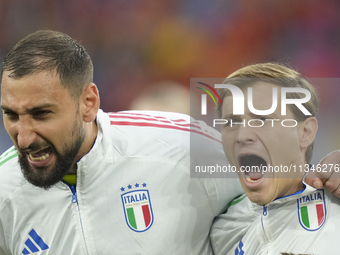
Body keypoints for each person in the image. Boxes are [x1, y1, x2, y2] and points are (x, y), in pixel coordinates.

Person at [0, 31, 338, 255]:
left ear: (88, 103)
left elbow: (289, 181)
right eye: (11, 115)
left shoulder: (181, 149)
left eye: (42, 114)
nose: (24, 137)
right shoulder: (228, 232)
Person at [210, 63, 340, 254]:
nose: (242, 135)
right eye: (231, 122)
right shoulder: (221, 228)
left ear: (305, 132)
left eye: (262, 119)